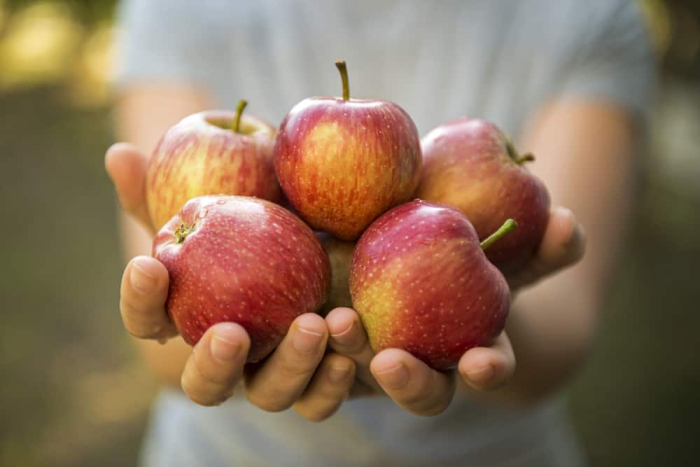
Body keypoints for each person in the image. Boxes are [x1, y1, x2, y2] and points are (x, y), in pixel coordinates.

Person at [105, 0, 655, 465]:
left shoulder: (590, 15)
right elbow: (164, 345)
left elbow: (560, 341)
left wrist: (468, 310)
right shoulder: (176, 8)